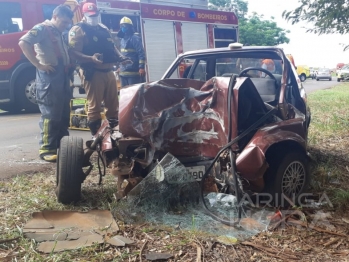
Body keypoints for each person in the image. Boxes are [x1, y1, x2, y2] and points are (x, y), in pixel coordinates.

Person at [18, 5, 73, 162]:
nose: (66, 26)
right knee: (50, 113)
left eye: (68, 23)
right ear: (55, 17)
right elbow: (23, 43)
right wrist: (39, 65)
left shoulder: (59, 32)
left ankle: (64, 147)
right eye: (63, 22)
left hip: (62, 76)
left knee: (63, 113)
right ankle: (47, 149)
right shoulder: (41, 28)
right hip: (49, 77)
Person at [68, 3, 130, 135]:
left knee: (113, 106)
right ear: (84, 15)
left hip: (109, 71)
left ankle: (113, 135)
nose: (93, 17)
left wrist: (121, 57)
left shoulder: (103, 28)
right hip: (92, 71)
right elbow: (73, 52)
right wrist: (90, 58)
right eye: (90, 15)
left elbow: (112, 47)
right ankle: (96, 138)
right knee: (95, 107)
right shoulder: (78, 29)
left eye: (95, 15)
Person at [117, 16, 146, 87]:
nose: (123, 27)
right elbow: (121, 55)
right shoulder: (122, 40)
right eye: (122, 26)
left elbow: (141, 53)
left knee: (133, 93)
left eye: (125, 26)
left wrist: (141, 67)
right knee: (124, 93)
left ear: (130, 27)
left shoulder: (135, 39)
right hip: (123, 72)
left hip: (133, 73)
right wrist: (119, 67)